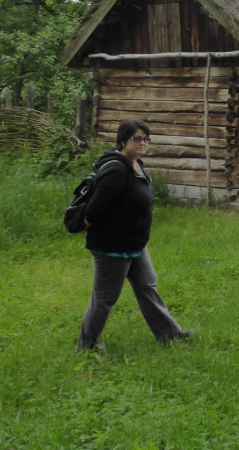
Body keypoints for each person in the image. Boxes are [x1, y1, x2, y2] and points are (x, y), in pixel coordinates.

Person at [76, 118, 192, 352]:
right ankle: (87, 346)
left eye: (146, 139)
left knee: (148, 287)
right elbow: (94, 211)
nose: (142, 143)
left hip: (135, 243)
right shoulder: (117, 169)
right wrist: (114, 231)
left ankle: (169, 335)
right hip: (114, 246)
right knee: (105, 297)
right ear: (122, 141)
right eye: (136, 139)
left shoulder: (136, 164)